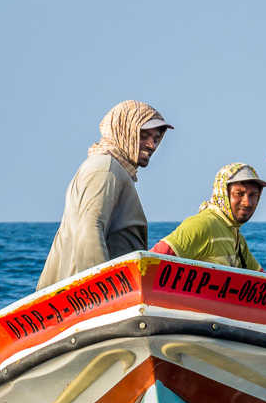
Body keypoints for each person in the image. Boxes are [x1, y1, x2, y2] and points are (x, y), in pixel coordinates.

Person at [37, 100, 172, 289]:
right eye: (144, 135)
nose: (151, 145)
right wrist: (103, 294)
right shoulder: (105, 169)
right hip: (87, 299)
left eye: (157, 138)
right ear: (123, 130)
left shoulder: (112, 169)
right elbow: (89, 228)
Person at [152, 162, 265, 270]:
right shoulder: (202, 224)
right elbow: (151, 261)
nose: (247, 202)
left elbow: (263, 279)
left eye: (253, 195)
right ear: (223, 193)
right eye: (239, 194)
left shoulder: (236, 236)